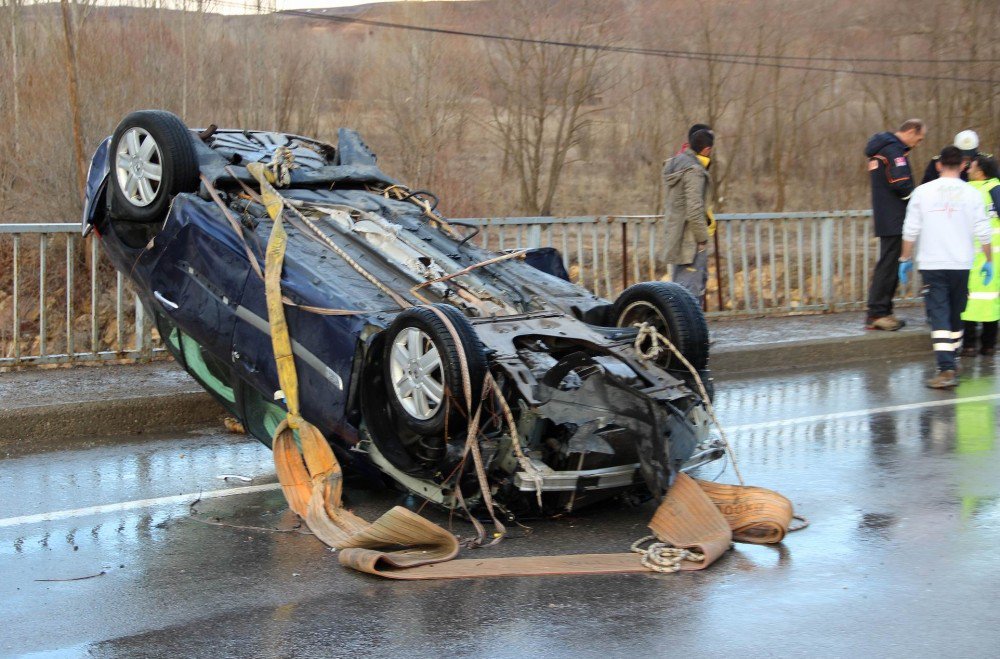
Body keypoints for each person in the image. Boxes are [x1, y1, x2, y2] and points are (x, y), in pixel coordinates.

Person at [898, 145, 993, 388]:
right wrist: (989, 261)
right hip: (962, 263)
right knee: (956, 312)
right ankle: (953, 358)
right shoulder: (972, 193)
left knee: (939, 312)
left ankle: (946, 368)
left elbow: (910, 229)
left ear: (939, 165)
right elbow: (983, 230)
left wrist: (905, 259)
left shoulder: (922, 192)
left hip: (933, 262)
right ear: (963, 165)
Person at [864, 118, 926, 331]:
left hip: (888, 216)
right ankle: (877, 313)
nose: (918, 143)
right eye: (919, 138)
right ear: (910, 131)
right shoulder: (893, 151)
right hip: (894, 217)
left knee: (889, 264)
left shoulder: (886, 149)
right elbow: (902, 185)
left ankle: (884, 311)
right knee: (888, 266)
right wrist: (919, 200)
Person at [663, 128, 714, 300]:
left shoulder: (677, 165)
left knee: (679, 290)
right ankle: (689, 328)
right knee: (690, 294)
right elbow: (694, 209)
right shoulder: (694, 171)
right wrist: (702, 238)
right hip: (691, 241)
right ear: (707, 150)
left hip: (677, 236)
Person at [960, 154, 1000, 357]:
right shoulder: (994, 188)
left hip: (982, 256)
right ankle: (988, 345)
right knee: (988, 300)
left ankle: (970, 345)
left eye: (971, 167)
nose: (967, 170)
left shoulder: (980, 190)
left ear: (981, 172)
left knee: (972, 300)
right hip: (987, 256)